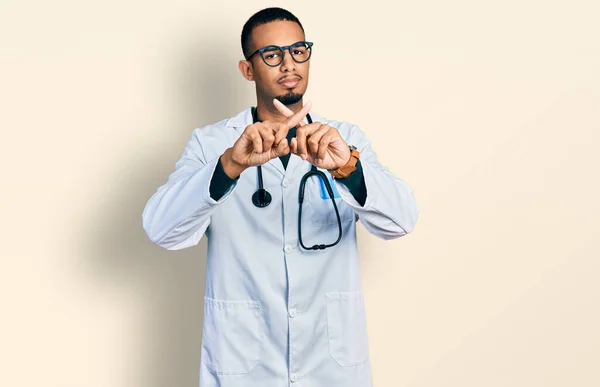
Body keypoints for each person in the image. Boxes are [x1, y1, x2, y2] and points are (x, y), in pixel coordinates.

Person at [142, 6, 419, 387]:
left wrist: (348, 170)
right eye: (272, 55)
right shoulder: (213, 145)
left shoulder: (343, 140)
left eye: (298, 51)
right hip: (245, 367)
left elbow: (402, 220)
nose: (289, 64)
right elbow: (161, 230)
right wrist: (229, 168)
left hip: (331, 367)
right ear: (248, 69)